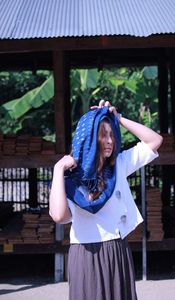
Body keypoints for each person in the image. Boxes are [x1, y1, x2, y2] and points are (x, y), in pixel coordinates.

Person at [49, 100, 163, 300]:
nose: (109, 140)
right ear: (90, 138)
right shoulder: (70, 179)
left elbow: (155, 141)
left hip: (116, 252)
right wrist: (58, 169)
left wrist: (118, 118)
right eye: (103, 135)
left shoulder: (119, 165)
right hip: (84, 255)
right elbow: (59, 215)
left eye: (112, 134)